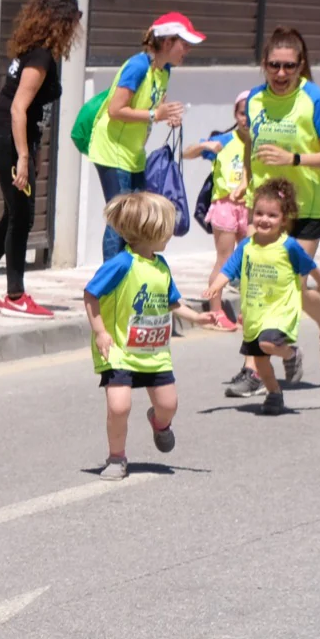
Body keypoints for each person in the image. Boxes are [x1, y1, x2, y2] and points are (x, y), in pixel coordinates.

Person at [226, 28, 320, 398]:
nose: (280, 73)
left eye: (288, 66)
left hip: (306, 205)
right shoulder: (256, 100)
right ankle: (253, 368)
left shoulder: (314, 99)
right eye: (273, 65)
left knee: (292, 285)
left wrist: (293, 158)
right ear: (263, 65)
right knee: (257, 284)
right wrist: (247, 178)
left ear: (301, 65)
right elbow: (251, 146)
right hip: (264, 207)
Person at [0, 0, 83, 319]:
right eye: (75, 20)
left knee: (14, 214)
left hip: (5, 136)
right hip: (6, 136)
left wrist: (32, 152)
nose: (77, 28)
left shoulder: (33, 51)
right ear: (61, 21)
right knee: (23, 216)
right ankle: (16, 296)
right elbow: (19, 109)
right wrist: (23, 157)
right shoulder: (41, 56)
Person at [82, 192, 211, 480]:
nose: (171, 233)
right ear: (151, 231)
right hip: (119, 350)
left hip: (153, 352)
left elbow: (173, 302)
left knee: (168, 405)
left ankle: (159, 423)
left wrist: (199, 317)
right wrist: (101, 332)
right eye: (167, 227)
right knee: (119, 406)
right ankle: (116, 458)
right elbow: (91, 294)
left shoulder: (161, 265)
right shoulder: (121, 264)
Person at [205, 179, 320, 416]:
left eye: (272, 215)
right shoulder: (246, 246)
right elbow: (229, 269)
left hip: (280, 310)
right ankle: (274, 394)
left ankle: (292, 353)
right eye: (259, 213)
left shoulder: (288, 246)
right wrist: (216, 288)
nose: (264, 219)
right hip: (255, 312)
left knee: (267, 344)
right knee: (261, 362)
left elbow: (309, 265)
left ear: (284, 220)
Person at [87, 13, 201, 260]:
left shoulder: (164, 70)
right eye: (185, 43)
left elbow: (153, 103)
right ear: (168, 42)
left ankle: (130, 273)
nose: (188, 50)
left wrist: (166, 113)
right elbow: (115, 109)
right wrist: (154, 115)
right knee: (121, 218)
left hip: (134, 152)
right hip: (113, 150)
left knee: (138, 217)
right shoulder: (138, 66)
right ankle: (111, 281)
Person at [182, 90, 252, 331]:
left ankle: (247, 311)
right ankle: (215, 312)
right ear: (236, 114)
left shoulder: (261, 141)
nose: (247, 119)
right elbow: (187, 153)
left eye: (252, 114)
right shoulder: (226, 140)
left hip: (251, 208)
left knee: (251, 260)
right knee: (225, 259)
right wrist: (203, 145)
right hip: (225, 207)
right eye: (243, 113)